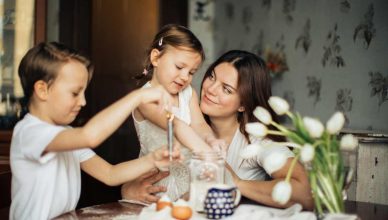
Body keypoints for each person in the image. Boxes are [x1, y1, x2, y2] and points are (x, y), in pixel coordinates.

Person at [123, 50, 314, 210]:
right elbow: (146, 172)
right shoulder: (184, 124)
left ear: (243, 105)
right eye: (211, 77)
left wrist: (235, 183)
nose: (210, 89)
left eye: (227, 89)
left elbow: (304, 194)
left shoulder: (256, 142)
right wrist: (128, 189)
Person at [10, 42, 181, 219]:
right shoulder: (30, 133)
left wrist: (152, 159)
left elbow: (110, 174)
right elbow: (89, 136)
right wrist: (138, 96)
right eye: (75, 93)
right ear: (42, 90)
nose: (83, 102)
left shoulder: (66, 134)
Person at [131, 24, 223, 201]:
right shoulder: (144, 98)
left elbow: (199, 124)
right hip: (157, 180)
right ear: (156, 58)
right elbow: (175, 124)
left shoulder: (188, 94)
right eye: (179, 67)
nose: (184, 77)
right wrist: (205, 151)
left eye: (191, 72)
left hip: (187, 177)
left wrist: (210, 139)